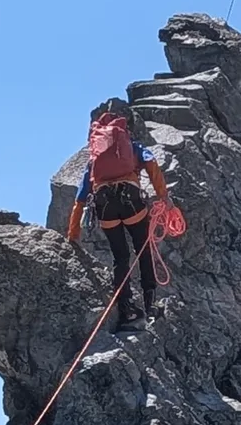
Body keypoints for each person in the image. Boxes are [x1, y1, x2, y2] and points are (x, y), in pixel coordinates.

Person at [65, 97, 170, 330]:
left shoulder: (95, 158)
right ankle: (151, 304)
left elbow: (80, 197)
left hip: (105, 207)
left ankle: (127, 309)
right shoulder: (132, 146)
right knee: (143, 250)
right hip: (131, 201)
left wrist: (73, 234)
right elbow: (152, 164)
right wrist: (164, 197)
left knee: (120, 257)